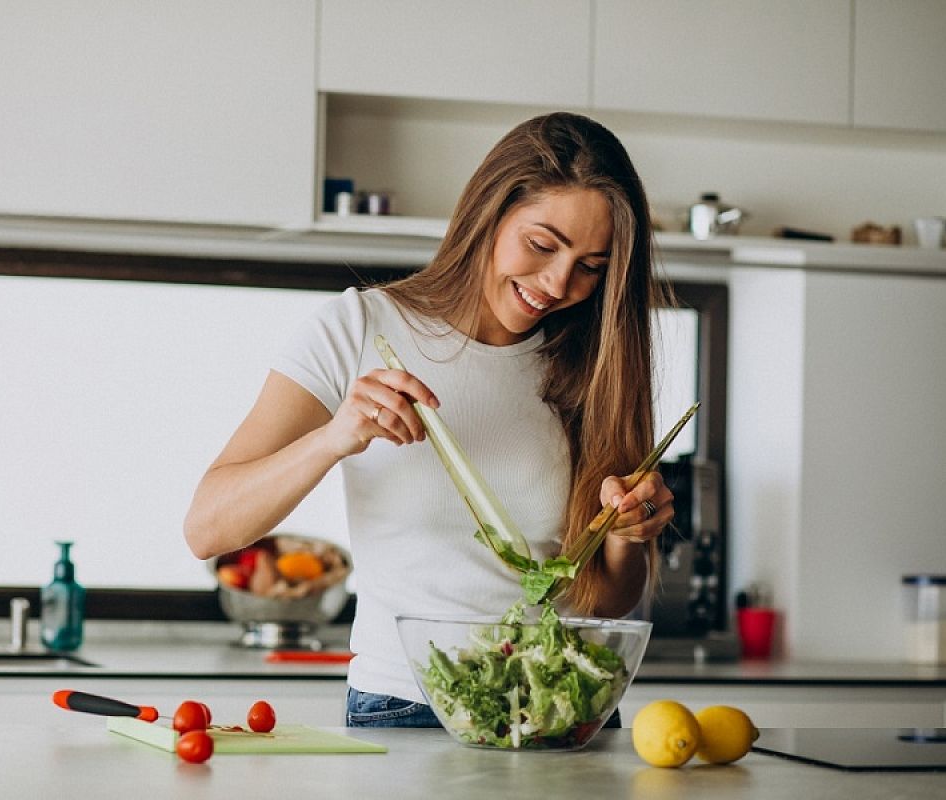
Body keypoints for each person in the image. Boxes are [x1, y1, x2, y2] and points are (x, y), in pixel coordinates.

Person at [184, 112, 675, 728]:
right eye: (542, 245)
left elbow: (603, 597)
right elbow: (208, 528)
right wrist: (333, 438)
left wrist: (630, 534)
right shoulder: (359, 330)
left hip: (566, 708)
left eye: (591, 266)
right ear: (488, 215)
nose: (557, 283)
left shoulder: (593, 364)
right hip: (409, 705)